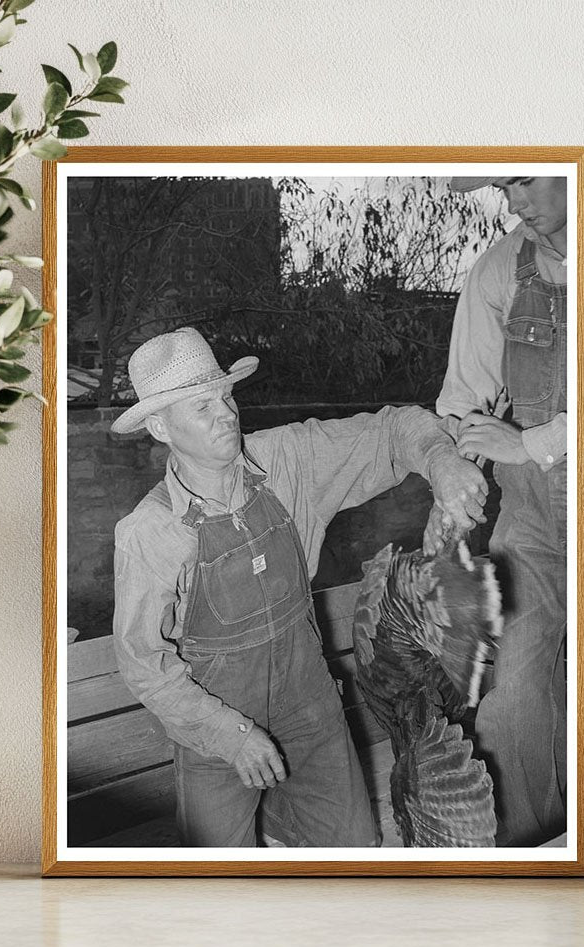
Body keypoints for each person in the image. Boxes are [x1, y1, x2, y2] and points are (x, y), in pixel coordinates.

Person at [112, 326, 488, 847]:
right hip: (215, 731)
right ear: (159, 427)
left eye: (226, 397)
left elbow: (390, 430)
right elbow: (142, 664)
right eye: (203, 406)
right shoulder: (150, 533)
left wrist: (440, 462)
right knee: (216, 880)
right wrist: (231, 737)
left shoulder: (287, 461)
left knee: (355, 852)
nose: (227, 414)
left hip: (310, 709)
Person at [435, 175, 569, 848]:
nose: (514, 203)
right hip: (533, 517)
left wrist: (531, 443)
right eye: (502, 186)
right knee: (512, 702)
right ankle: (531, 860)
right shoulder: (499, 271)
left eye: (524, 180)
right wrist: (453, 483)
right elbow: (464, 400)